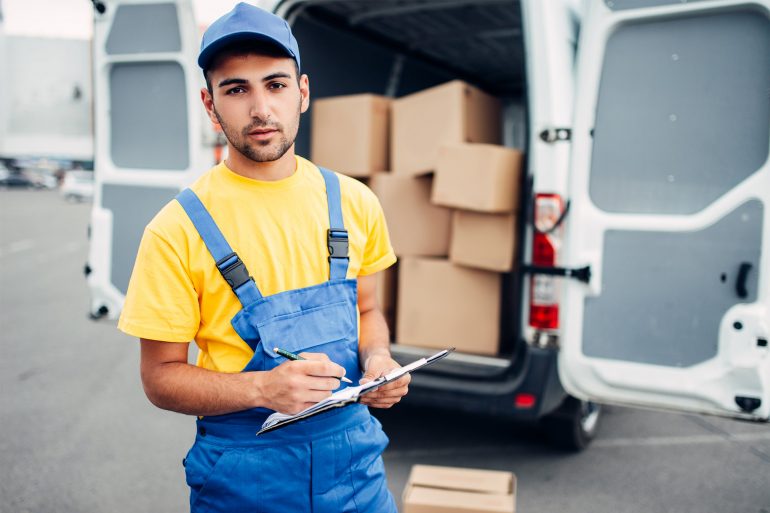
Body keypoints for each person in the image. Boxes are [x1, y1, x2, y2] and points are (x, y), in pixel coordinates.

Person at [117, 3, 407, 512]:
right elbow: (160, 377)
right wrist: (262, 389)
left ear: (303, 92)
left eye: (275, 85)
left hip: (357, 471)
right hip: (246, 479)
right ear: (210, 105)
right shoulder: (177, 229)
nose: (260, 109)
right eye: (236, 90)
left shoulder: (354, 202)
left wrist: (377, 359)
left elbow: (366, 310)